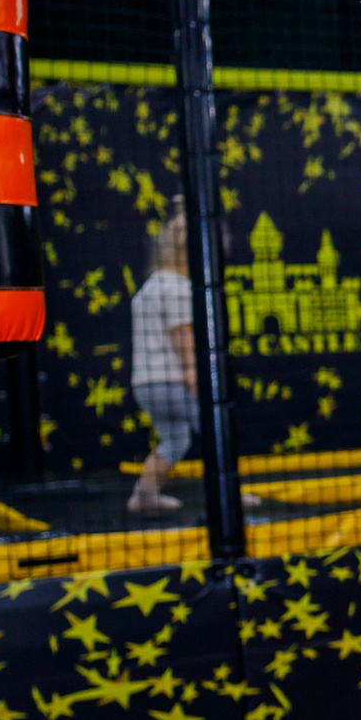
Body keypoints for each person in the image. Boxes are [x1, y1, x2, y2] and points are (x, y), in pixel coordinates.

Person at [128, 207, 196, 517]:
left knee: (175, 437)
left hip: (145, 383)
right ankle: (228, 496)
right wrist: (193, 372)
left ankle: (144, 494)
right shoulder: (179, 287)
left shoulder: (149, 287)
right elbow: (181, 334)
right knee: (216, 429)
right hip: (173, 380)